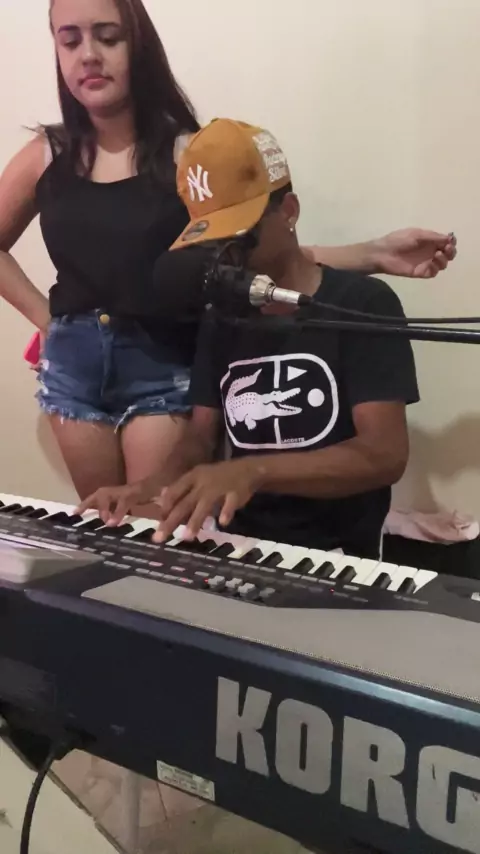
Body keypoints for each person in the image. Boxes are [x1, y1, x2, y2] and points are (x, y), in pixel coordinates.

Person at [0, 0, 456, 506]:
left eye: (108, 37)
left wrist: (373, 254)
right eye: (69, 41)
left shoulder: (189, 156)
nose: (88, 55)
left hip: (161, 355)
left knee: (153, 521)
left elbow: (256, 252)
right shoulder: (45, 154)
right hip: (75, 363)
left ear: (139, 45)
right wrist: (46, 321)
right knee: (105, 518)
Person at [78, 118, 423, 560]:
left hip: (337, 557)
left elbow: (384, 455)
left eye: (239, 233)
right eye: (214, 238)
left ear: (289, 210)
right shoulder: (222, 315)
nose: (228, 253)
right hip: (242, 548)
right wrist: (150, 486)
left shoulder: (363, 303)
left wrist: (254, 471)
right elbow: (199, 438)